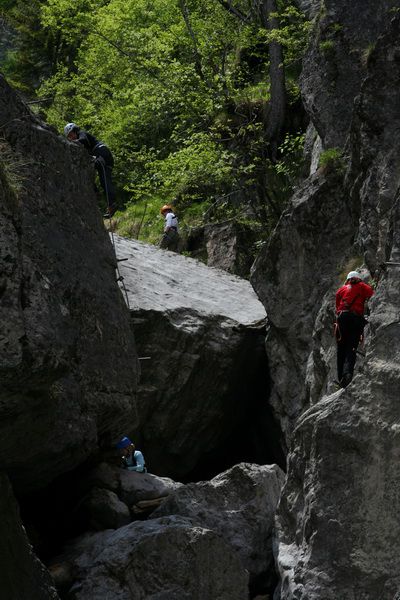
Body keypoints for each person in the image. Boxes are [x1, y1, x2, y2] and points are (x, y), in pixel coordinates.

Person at [64, 122, 117, 217]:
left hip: (101, 152)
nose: (71, 138)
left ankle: (111, 203)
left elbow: (83, 140)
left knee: (104, 178)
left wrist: (70, 143)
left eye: (71, 135)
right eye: (69, 137)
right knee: (103, 180)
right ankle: (104, 199)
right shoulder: (80, 138)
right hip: (102, 155)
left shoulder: (82, 133)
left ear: (75, 131)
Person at [335, 270, 374, 387]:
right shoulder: (362, 286)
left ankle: (341, 377)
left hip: (342, 317)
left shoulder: (342, 289)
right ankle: (347, 374)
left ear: (348, 279)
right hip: (355, 318)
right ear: (358, 278)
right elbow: (372, 294)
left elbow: (337, 301)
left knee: (341, 348)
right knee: (351, 347)